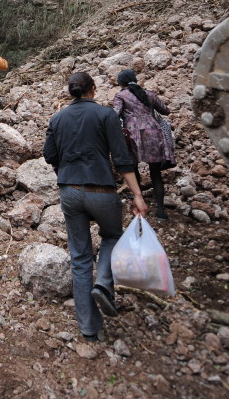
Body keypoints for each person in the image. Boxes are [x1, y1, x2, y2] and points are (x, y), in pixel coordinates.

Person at [43, 71, 147, 343]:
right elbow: (122, 158)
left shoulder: (57, 118)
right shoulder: (106, 114)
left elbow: (49, 155)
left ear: (71, 91)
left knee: (79, 257)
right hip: (101, 188)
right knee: (112, 236)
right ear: (92, 89)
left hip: (69, 191)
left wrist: (66, 167)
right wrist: (137, 194)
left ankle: (89, 328)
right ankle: (103, 281)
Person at [112, 69, 175, 221]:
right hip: (154, 132)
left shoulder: (121, 95)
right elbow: (165, 111)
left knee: (134, 169)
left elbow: (115, 114)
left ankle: (139, 202)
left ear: (121, 83)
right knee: (155, 174)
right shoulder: (149, 94)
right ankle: (161, 211)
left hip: (132, 134)